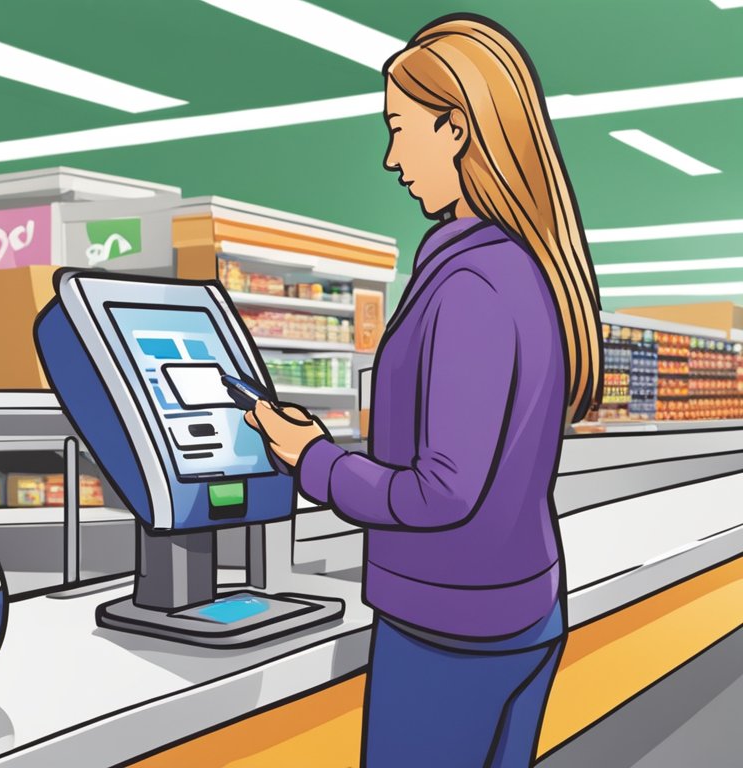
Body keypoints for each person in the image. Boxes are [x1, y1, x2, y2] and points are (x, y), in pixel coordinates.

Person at [245, 14, 602, 768]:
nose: (389, 157)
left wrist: (314, 461)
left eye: (400, 129)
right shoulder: (521, 267)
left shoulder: (471, 281)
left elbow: (443, 492)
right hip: (520, 609)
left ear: (457, 129)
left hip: (452, 628)